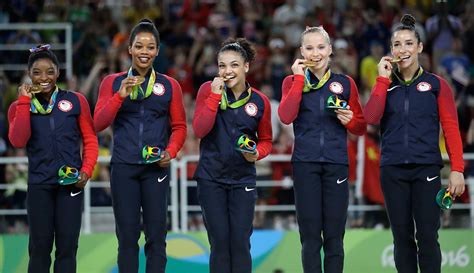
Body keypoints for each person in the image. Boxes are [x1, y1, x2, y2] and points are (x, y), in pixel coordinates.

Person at [364, 14, 465, 273]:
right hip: (392, 171)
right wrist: (381, 80)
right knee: (402, 238)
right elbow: (371, 118)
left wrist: (457, 169)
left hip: (426, 171)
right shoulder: (384, 86)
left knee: (428, 237)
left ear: (419, 47)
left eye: (409, 43)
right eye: (397, 44)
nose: (403, 49)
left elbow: (451, 128)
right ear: (391, 50)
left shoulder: (436, 85)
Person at [93, 19, 187, 273]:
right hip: (123, 168)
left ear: (157, 51)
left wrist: (171, 151)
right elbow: (98, 123)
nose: (144, 51)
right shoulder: (112, 83)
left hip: (155, 168)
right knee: (127, 238)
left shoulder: (169, 85)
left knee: (156, 237)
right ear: (130, 50)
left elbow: (179, 127)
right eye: (139, 46)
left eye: (150, 47)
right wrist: (119, 96)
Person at [278, 26, 366, 273]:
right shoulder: (291, 81)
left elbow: (360, 126)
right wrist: (297, 79)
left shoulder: (345, 83)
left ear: (329, 50)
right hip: (305, 164)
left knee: (335, 236)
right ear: (301, 51)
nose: (315, 53)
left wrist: (351, 121)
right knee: (309, 237)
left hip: (336, 163)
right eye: (309, 48)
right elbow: (285, 116)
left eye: (320, 47)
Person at [8, 44, 98, 273]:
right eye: (36, 72)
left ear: (58, 72)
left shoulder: (76, 101)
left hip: (71, 184)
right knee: (39, 248)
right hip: (39, 185)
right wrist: (24, 103)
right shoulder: (18, 106)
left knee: (68, 248)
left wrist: (86, 171)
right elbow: (18, 140)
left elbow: (90, 140)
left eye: (49, 71)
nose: (43, 77)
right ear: (29, 74)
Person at [192, 38, 272, 273]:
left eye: (234, 65)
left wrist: (257, 154)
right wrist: (215, 97)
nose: (228, 71)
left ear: (246, 67)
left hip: (242, 180)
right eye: (222, 65)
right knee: (219, 243)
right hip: (211, 178)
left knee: (239, 243)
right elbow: (199, 130)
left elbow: (266, 141)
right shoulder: (207, 90)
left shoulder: (260, 101)